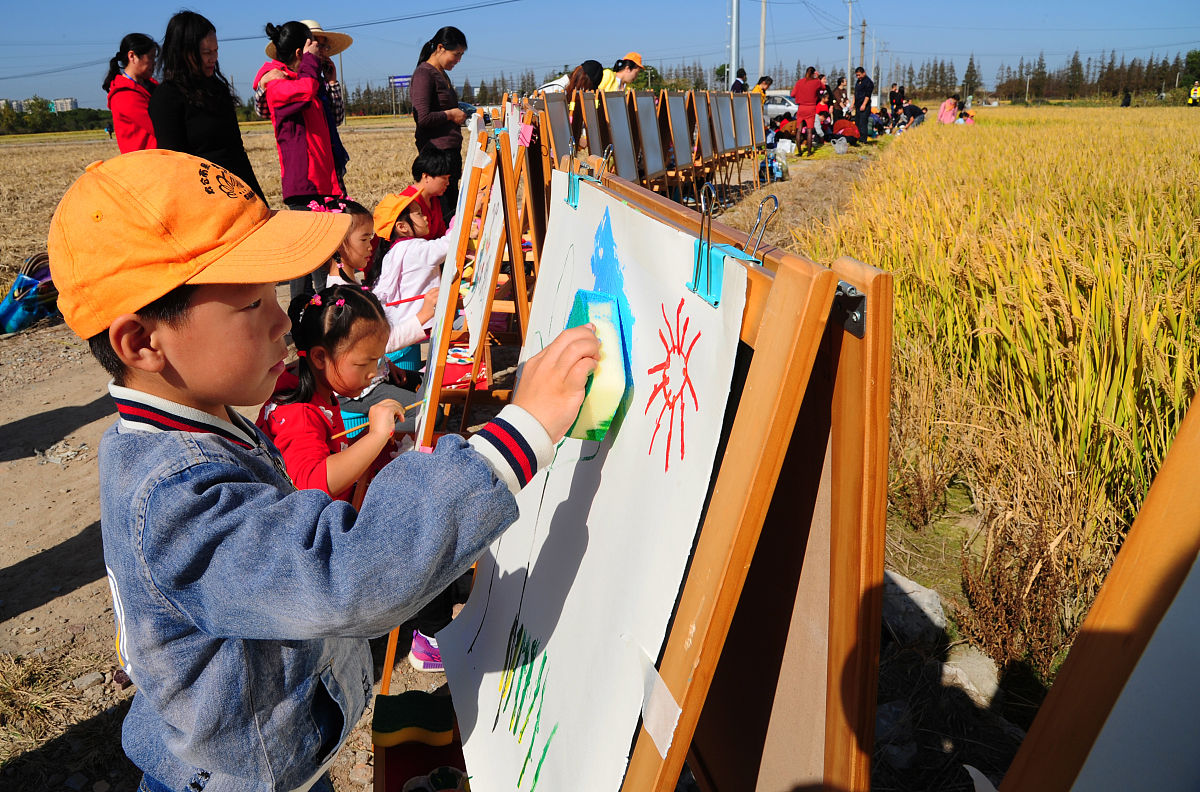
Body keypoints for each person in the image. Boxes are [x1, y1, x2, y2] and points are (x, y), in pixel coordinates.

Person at [47, 147, 600, 791]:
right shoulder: (175, 494)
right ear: (143, 342)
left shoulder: (188, 423)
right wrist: (519, 435)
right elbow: (340, 577)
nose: (284, 318)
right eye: (253, 303)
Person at [149, 11, 265, 201]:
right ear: (184, 53)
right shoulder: (166, 97)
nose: (214, 58)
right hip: (202, 199)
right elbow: (176, 165)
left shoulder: (217, 89)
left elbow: (236, 149)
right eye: (206, 53)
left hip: (237, 192)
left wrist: (257, 198)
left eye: (216, 51)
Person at [255, 22, 344, 212]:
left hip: (325, 178)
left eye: (322, 46)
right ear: (300, 52)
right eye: (314, 46)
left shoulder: (312, 80)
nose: (320, 51)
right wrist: (310, 62)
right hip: (306, 183)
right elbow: (304, 91)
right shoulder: (278, 82)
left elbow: (335, 119)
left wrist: (331, 82)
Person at [370, 191, 448, 371]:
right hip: (407, 332)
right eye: (419, 214)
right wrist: (463, 219)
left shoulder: (396, 250)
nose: (426, 217)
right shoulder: (415, 249)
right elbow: (447, 245)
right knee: (406, 376)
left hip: (400, 325)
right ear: (402, 227)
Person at [411, 26, 468, 221]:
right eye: (456, 54)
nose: (458, 60)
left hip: (449, 152)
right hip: (437, 154)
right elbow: (423, 117)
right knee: (445, 210)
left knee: (451, 206)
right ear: (441, 48)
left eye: (461, 55)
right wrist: (451, 115)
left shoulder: (441, 73)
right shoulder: (424, 74)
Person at [103, 33, 158, 153]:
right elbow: (160, 127)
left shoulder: (150, 85)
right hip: (145, 165)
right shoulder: (124, 95)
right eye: (151, 57)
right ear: (132, 56)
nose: (154, 63)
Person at [789, 66, 821, 155]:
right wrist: (817, 77)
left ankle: (799, 152)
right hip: (811, 108)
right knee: (809, 131)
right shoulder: (816, 82)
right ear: (814, 73)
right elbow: (822, 87)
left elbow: (792, 94)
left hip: (801, 108)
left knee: (798, 130)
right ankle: (809, 152)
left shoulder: (799, 82)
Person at [853, 66, 874, 143]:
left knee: (863, 122)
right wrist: (853, 104)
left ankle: (863, 140)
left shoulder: (869, 82)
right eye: (857, 75)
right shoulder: (858, 82)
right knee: (857, 122)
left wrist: (864, 104)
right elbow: (855, 93)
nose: (858, 77)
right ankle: (857, 137)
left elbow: (867, 95)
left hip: (864, 105)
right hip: (858, 105)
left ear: (864, 73)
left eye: (859, 75)